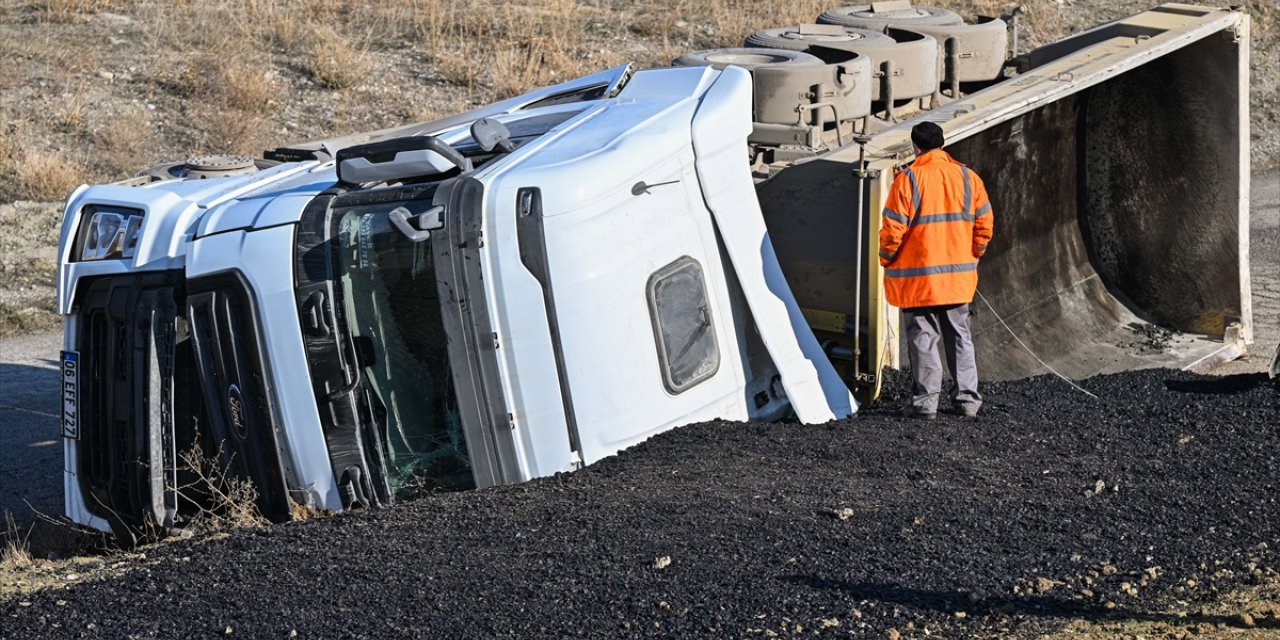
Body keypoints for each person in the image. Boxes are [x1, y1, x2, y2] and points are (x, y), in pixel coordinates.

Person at [878, 121, 994, 420]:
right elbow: (985, 225)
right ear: (942, 144)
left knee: (924, 338)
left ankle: (926, 404)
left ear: (916, 147)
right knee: (960, 336)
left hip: (920, 281)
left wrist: (886, 258)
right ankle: (967, 401)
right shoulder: (969, 178)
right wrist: (974, 254)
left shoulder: (908, 179)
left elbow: (893, 229)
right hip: (958, 279)